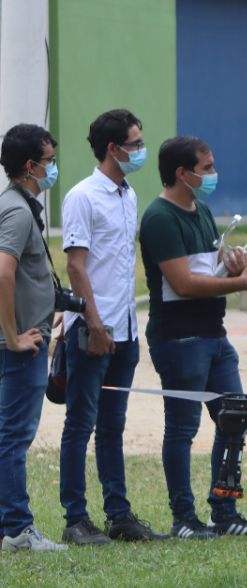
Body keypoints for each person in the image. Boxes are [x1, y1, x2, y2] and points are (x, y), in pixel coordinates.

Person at [139, 136, 247, 539]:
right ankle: (184, 518)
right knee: (182, 429)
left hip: (214, 337)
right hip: (179, 341)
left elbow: (205, 271)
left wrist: (231, 266)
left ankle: (224, 511)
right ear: (182, 173)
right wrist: (239, 284)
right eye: (206, 168)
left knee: (234, 420)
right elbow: (183, 284)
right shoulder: (160, 217)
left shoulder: (203, 210)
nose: (213, 174)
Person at [58, 109, 164, 545]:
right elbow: (76, 267)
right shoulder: (83, 196)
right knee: (80, 424)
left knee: (113, 426)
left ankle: (119, 515)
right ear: (112, 149)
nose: (140, 150)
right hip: (92, 331)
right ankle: (76, 519)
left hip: (125, 330)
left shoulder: (128, 194)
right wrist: (95, 324)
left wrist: (121, 328)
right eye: (135, 144)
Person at [0, 124, 65, 552]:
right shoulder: (19, 211)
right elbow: (3, 271)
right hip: (21, 346)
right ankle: (17, 529)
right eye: (50, 160)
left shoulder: (14, 203)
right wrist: (13, 337)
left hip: (27, 334)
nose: (53, 168)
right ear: (31, 165)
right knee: (14, 437)